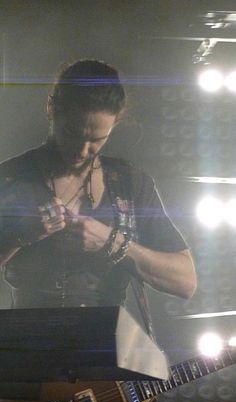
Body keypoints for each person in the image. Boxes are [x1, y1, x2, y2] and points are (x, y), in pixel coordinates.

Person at [0, 59, 197, 310]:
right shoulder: (10, 178)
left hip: (106, 340)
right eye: (72, 133)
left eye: (97, 139)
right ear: (51, 108)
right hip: (31, 340)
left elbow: (185, 282)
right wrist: (19, 236)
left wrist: (110, 242)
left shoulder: (130, 183)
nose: (82, 151)